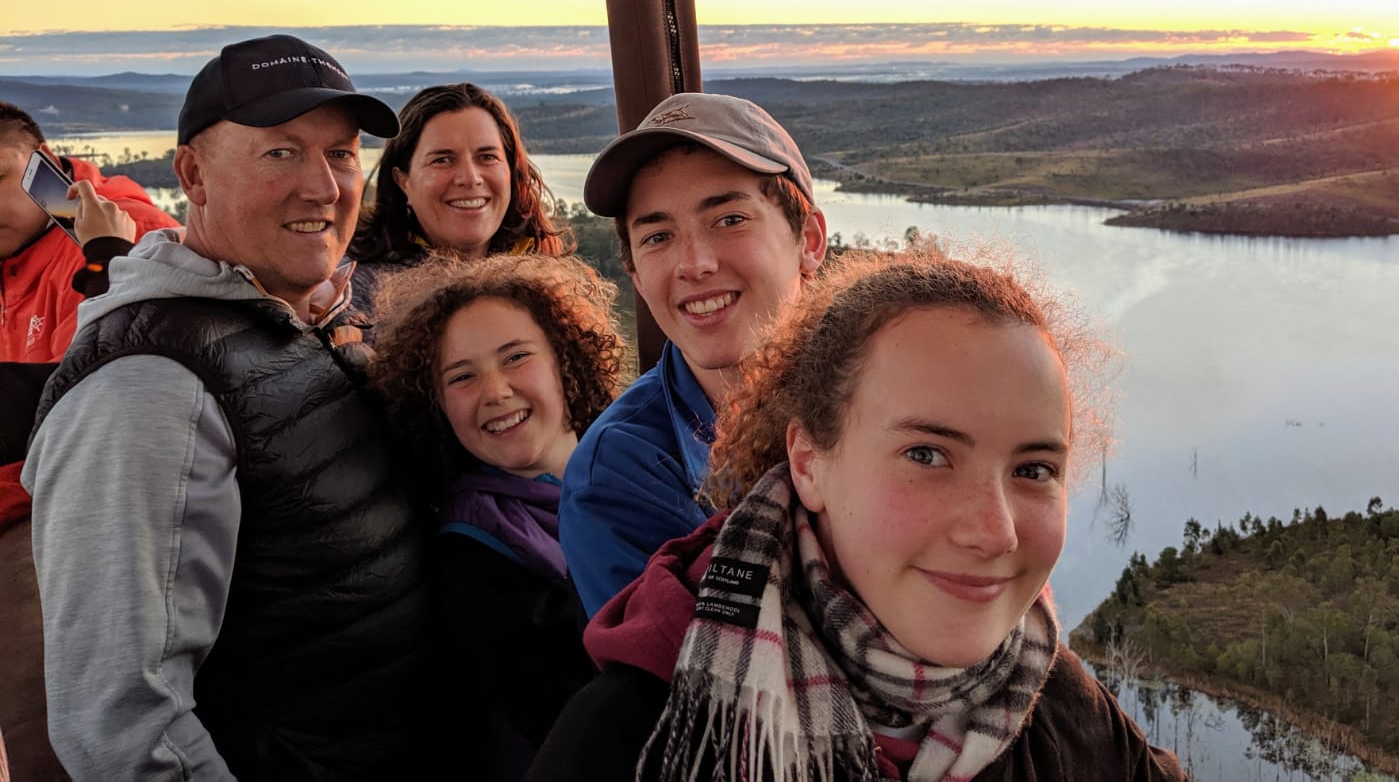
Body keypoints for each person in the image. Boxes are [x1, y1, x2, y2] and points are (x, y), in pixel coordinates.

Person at [532, 250, 1185, 782]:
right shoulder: (632, 739)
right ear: (809, 462)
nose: (995, 532)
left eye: (1034, 470)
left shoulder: (1053, 696)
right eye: (927, 455)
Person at [23, 34, 433, 779]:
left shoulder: (294, 317)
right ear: (193, 175)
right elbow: (121, 726)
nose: (324, 187)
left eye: (341, 155)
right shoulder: (145, 390)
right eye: (281, 152)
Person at [560, 92, 827, 615]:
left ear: (809, 240)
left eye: (729, 219)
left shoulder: (898, 393)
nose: (695, 264)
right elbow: (700, 682)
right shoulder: (619, 477)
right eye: (658, 236)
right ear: (636, 276)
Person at [368, 253, 623, 778]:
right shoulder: (474, 546)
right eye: (462, 377)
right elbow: (565, 706)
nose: (496, 391)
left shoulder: (635, 466)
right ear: (434, 403)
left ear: (564, 358)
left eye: (516, 358)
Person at [346, 82, 569, 314]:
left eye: (487, 156)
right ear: (403, 181)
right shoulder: (357, 299)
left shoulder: (550, 283)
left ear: (511, 172)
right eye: (442, 160)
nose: (470, 178)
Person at [0, 101, 177, 363]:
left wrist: (106, 255)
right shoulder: (17, 246)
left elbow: (89, 388)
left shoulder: (128, 240)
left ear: (46, 161)